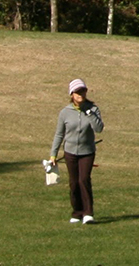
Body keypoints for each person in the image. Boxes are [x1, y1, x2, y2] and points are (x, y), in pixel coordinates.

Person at [50, 78, 105, 224]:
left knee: (84, 180)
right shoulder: (65, 113)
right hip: (70, 152)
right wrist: (53, 154)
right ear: (72, 94)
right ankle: (77, 213)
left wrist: (90, 114)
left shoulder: (93, 109)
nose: (81, 94)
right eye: (78, 91)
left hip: (87, 151)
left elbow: (99, 129)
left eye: (83, 91)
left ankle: (88, 213)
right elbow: (59, 134)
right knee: (74, 182)